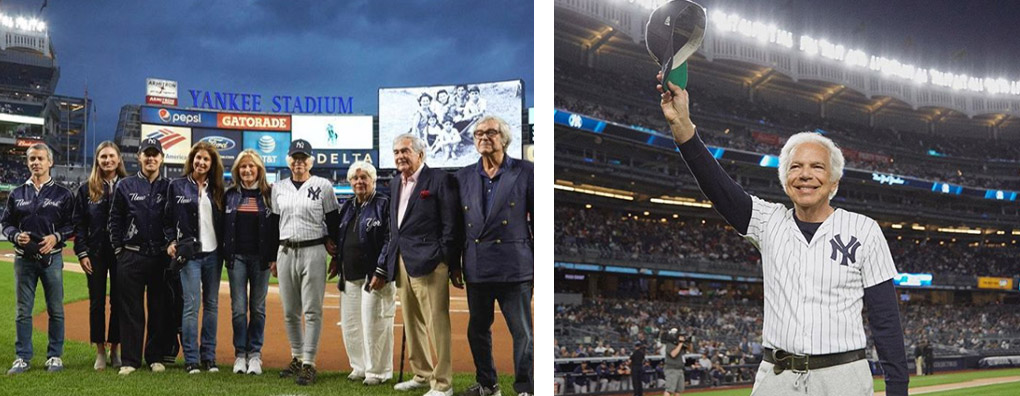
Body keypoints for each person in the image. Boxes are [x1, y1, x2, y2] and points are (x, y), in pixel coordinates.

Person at [658, 76, 909, 395]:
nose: (805, 174)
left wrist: (897, 389)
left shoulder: (864, 230)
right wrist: (682, 125)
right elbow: (718, 187)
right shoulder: (768, 220)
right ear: (785, 179)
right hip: (777, 378)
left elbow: (885, 319)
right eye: (795, 167)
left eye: (817, 167)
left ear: (834, 182)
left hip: (843, 377)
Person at [371, 133, 462, 396]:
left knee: (437, 323)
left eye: (405, 151)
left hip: (431, 262)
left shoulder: (439, 180)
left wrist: (444, 257)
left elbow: (450, 224)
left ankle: (443, 383)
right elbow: (395, 228)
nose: (400, 156)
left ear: (420, 154)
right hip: (403, 260)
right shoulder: (395, 183)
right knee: (411, 323)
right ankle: (422, 374)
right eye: (396, 151)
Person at [456, 115, 534, 396]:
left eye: (491, 132)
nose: (483, 137)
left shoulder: (526, 171)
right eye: (478, 133)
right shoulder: (464, 176)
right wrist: (456, 264)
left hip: (514, 267)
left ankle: (526, 388)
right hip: (477, 266)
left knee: (522, 334)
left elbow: (537, 221)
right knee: (477, 331)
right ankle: (488, 385)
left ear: (504, 138)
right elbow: (456, 226)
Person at [271, 139, 341, 385]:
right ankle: (297, 357)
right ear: (289, 160)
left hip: (313, 250)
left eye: (304, 158)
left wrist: (336, 254)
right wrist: (273, 258)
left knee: (312, 310)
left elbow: (333, 222)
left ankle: (309, 363)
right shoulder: (278, 187)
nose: (299, 162)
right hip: (286, 251)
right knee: (290, 311)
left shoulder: (323, 185)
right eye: (295, 158)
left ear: (311, 161)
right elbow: (273, 225)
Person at [1, 143, 75, 374]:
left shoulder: (63, 194)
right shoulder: (17, 193)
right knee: (23, 310)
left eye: (40, 158)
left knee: (56, 309)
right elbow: (6, 223)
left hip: (51, 259)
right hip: (23, 259)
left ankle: (55, 356)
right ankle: (22, 357)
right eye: (32, 158)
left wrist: (56, 236)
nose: (36, 162)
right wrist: (15, 235)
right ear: (27, 162)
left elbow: (72, 224)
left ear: (50, 162)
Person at [107, 138, 175, 375]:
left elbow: (175, 220)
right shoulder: (125, 185)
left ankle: (155, 356)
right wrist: (119, 250)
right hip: (132, 256)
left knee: (158, 308)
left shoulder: (169, 187)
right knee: (130, 310)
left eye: (155, 154)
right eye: (147, 153)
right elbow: (114, 220)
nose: (151, 158)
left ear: (162, 158)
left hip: (159, 257)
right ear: (139, 157)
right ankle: (130, 360)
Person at [328, 161, 394, 386]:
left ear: (373, 180)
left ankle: (378, 371)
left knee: (376, 324)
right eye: (355, 178)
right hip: (349, 275)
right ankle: (359, 366)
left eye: (364, 177)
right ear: (349, 182)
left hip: (373, 274)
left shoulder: (384, 203)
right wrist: (337, 262)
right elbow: (341, 239)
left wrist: (381, 269)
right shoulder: (347, 206)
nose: (359, 182)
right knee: (352, 324)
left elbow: (390, 238)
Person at [164, 141, 225, 374]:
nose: (201, 162)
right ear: (192, 160)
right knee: (191, 305)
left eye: (206, 159)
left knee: (211, 305)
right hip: (189, 255)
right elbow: (167, 219)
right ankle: (191, 358)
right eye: (198, 158)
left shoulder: (218, 188)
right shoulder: (176, 185)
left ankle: (208, 356)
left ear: (212, 164)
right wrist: (170, 241)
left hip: (213, 254)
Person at [73, 141, 128, 370]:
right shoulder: (86, 188)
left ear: (118, 159)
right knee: (97, 302)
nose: (107, 160)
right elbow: (78, 224)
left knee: (119, 301)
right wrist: (82, 252)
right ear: (97, 159)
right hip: (95, 252)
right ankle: (99, 350)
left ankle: (115, 348)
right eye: (103, 156)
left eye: (111, 156)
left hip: (120, 253)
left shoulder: (128, 186)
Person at [222, 149, 278, 375]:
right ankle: (240, 354)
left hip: (261, 259)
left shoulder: (270, 194)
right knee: (237, 309)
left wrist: (274, 257)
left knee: (257, 308)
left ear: (259, 169)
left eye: (251, 166)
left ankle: (255, 354)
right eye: (242, 166)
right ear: (237, 170)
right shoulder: (231, 194)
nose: (247, 170)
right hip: (237, 258)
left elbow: (275, 227)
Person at [663, 330, 687, 396]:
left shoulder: (680, 345)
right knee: (669, 390)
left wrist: (686, 343)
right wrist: (680, 343)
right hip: (672, 369)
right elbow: (673, 354)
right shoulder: (669, 344)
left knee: (678, 390)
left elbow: (688, 350)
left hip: (680, 369)